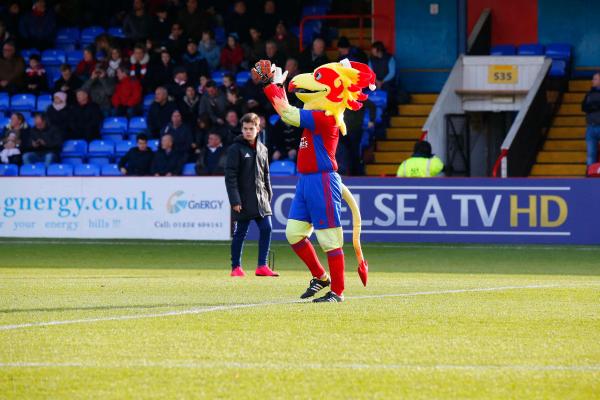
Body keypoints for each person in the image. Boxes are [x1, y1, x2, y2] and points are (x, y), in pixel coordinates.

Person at [225, 112, 276, 277]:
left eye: (251, 128)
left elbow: (266, 174)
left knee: (267, 228)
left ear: (258, 129)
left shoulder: (263, 149)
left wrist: (269, 192)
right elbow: (230, 177)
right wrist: (235, 200)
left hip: (261, 199)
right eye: (245, 128)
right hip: (243, 200)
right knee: (240, 233)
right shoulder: (235, 149)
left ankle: (262, 266)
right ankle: (236, 268)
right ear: (242, 129)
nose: (248, 131)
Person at [369, 41, 398, 113]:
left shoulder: (389, 58)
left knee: (388, 90)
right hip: (375, 82)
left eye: (374, 49)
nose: (372, 51)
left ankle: (389, 111)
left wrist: (382, 82)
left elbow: (392, 73)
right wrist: (376, 81)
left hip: (387, 82)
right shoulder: (371, 60)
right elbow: (370, 72)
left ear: (379, 49)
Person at [582, 72, 600, 169]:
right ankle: (589, 177)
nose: (592, 81)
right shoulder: (589, 94)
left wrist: (593, 106)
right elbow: (583, 107)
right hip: (591, 127)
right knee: (590, 154)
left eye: (595, 79)